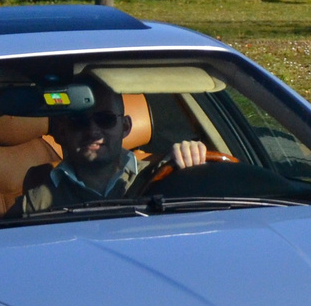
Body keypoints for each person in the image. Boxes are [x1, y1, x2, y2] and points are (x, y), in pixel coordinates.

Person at [14, 81, 207, 215]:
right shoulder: (38, 200)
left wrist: (194, 160)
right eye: (79, 121)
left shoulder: (167, 175)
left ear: (125, 127)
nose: (93, 131)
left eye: (105, 119)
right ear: (63, 132)